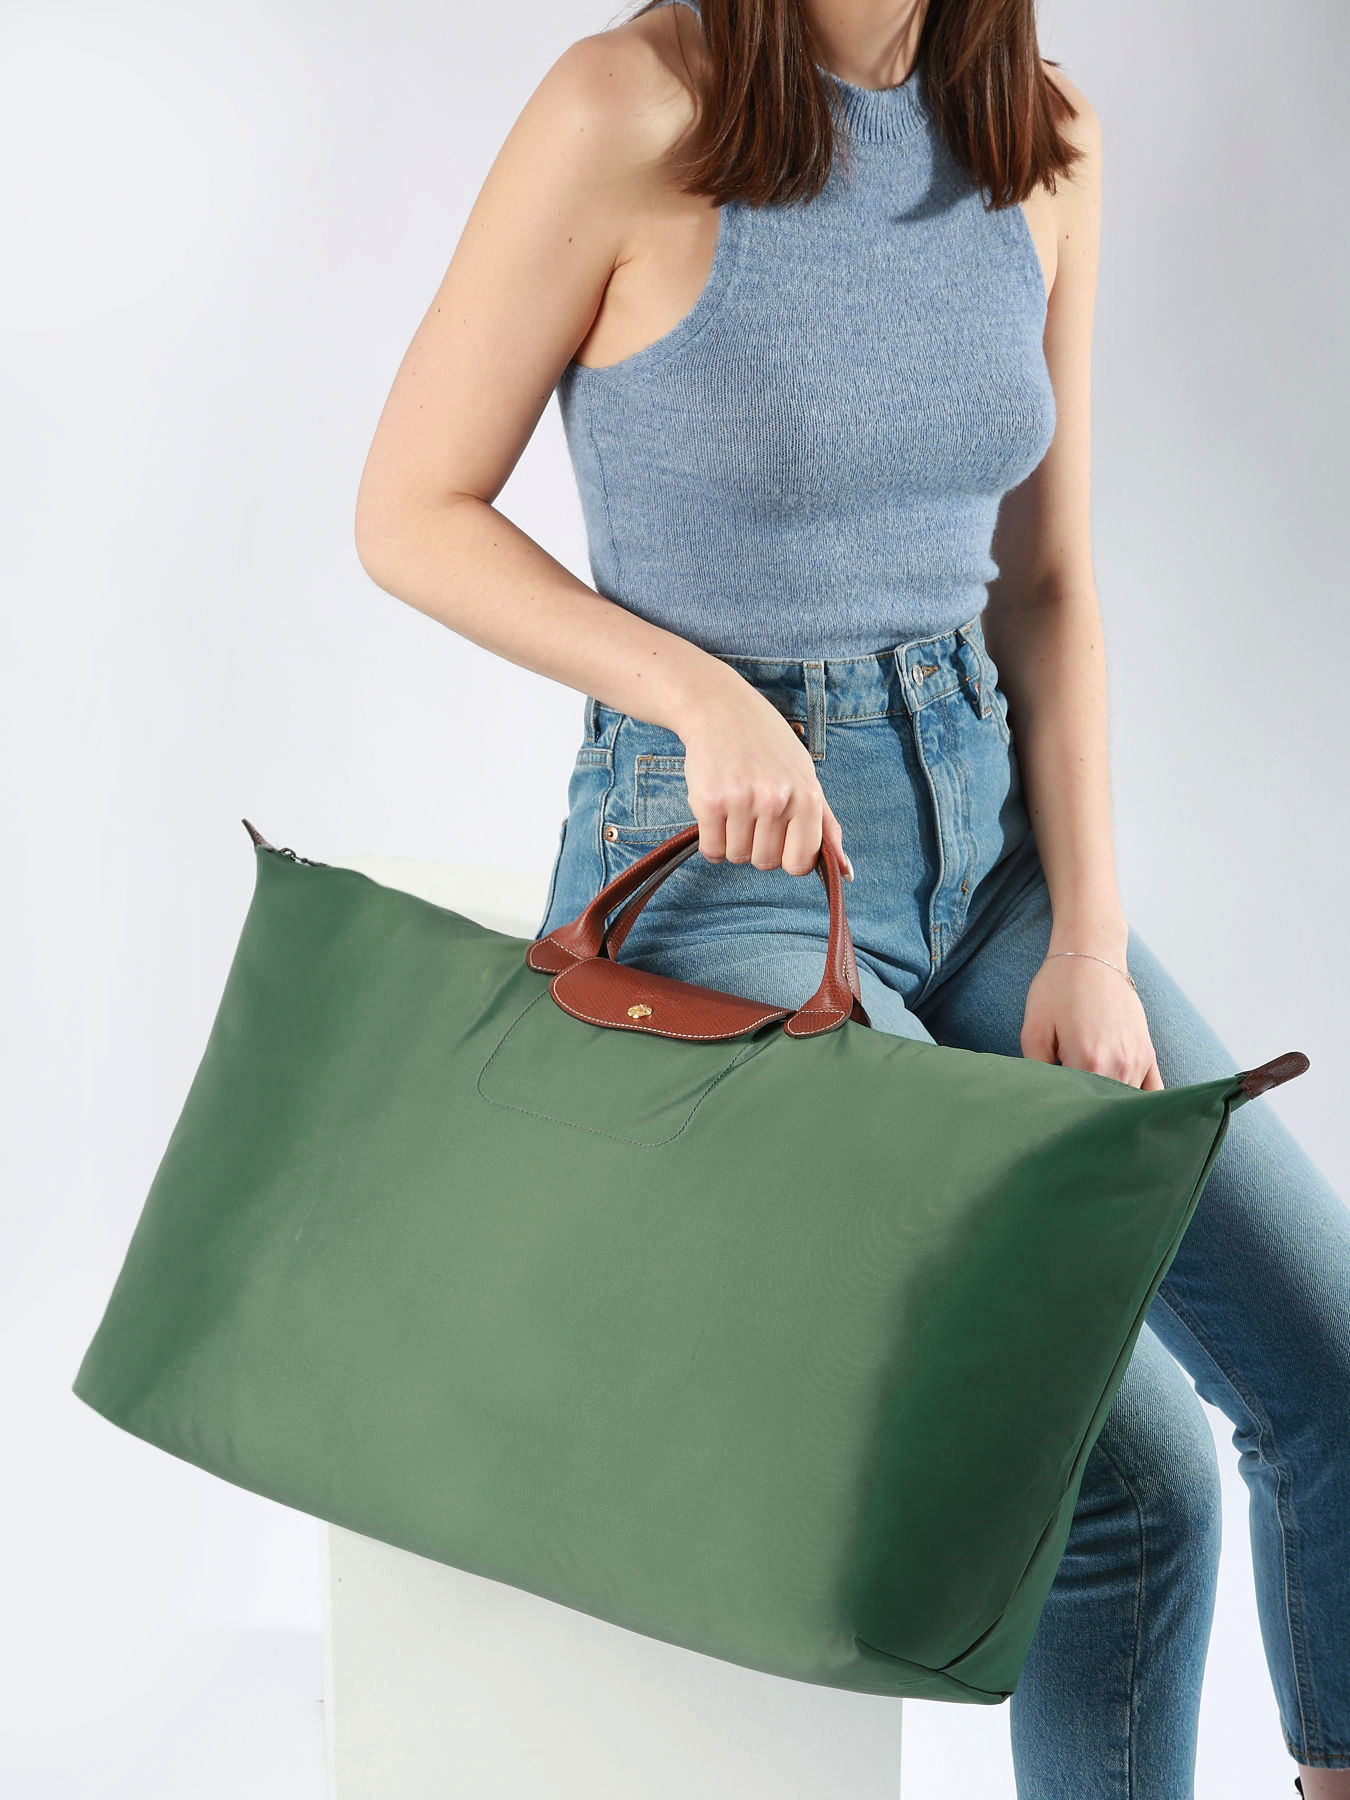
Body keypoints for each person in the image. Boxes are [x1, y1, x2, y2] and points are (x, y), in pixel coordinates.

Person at [352, 1, 1350, 1792]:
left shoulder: (1041, 137)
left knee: (1330, 1370)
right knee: (1122, 1469)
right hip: (720, 867)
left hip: (993, 844)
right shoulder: (625, 107)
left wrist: (1089, 941)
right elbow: (410, 508)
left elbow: (1046, 584)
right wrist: (695, 691)